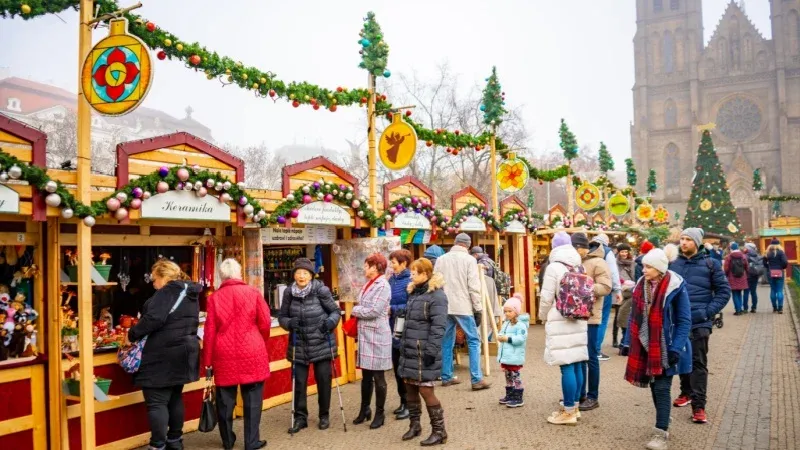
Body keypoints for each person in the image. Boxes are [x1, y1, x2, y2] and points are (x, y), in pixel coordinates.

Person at [622, 249, 692, 450]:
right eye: (643, 266)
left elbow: (684, 320)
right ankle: (664, 418)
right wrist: (628, 342)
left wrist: (676, 348)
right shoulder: (640, 286)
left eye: (648, 267)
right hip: (645, 345)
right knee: (653, 385)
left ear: (660, 269)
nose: (643, 270)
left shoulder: (676, 287)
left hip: (666, 345)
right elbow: (634, 317)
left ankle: (661, 432)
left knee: (661, 387)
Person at [128, 260, 201, 450]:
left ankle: (157, 445)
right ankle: (175, 440)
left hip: (162, 354)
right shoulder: (190, 292)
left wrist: (132, 334)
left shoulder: (167, 291)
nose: (153, 284)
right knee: (175, 397)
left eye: (155, 279)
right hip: (184, 352)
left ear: (165, 277)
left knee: (157, 402)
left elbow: (154, 319)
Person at [202, 259, 270, 450]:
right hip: (252, 350)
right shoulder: (253, 292)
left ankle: (228, 441)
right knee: (253, 400)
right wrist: (260, 342)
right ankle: (251, 441)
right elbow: (265, 323)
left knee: (224, 402)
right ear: (240, 273)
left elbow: (209, 332)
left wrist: (207, 361)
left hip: (224, 354)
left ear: (222, 276)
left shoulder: (214, 298)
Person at [669, 228, 730, 424]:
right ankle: (685, 392)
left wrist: (707, 312)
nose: (683, 243)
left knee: (698, 363)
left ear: (697, 242)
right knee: (679, 358)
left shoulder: (710, 264)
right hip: (677, 322)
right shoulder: (672, 264)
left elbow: (723, 291)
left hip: (700, 321)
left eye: (688, 239)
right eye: (682, 239)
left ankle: (699, 406)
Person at [279, 258, 341, 433]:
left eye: (305, 273)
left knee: (323, 381)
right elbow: (282, 316)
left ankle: (324, 415)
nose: (301, 276)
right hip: (299, 344)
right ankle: (300, 418)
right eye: (298, 272)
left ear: (311, 275)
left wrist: (329, 323)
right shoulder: (289, 293)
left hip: (320, 342)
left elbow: (335, 312)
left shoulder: (320, 290)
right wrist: (289, 323)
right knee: (299, 382)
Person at [397, 258, 448, 446]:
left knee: (426, 391)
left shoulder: (437, 296)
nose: (411, 275)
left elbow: (439, 326)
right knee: (410, 389)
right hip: (409, 349)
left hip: (423, 350)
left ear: (425, 274)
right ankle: (415, 425)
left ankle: (440, 431)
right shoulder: (414, 293)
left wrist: (431, 351)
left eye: (415, 272)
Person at [539, 232, 589, 426]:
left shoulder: (554, 267)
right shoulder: (579, 265)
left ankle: (568, 411)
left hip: (560, 317)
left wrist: (543, 316)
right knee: (576, 363)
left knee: (566, 365)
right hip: (579, 318)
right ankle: (574, 408)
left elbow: (546, 297)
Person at [434, 233, 491, 390]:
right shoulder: (470, 260)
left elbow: (436, 283)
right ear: (467, 245)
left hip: (444, 305)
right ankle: (476, 379)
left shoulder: (441, 259)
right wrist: (478, 308)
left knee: (446, 341)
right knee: (473, 340)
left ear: (455, 243)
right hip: (463, 306)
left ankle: (446, 376)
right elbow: (473, 286)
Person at [352, 253, 393, 429]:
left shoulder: (382, 284)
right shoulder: (369, 283)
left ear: (375, 267)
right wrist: (361, 309)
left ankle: (380, 413)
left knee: (379, 376)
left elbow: (374, 310)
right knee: (366, 376)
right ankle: (364, 409)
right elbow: (367, 308)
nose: (364, 268)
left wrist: (355, 310)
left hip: (377, 336)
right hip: (366, 335)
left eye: (366, 265)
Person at [572, 233, 612, 411]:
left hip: (591, 317)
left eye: (575, 247)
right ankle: (579, 394)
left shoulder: (598, 262)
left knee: (590, 357)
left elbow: (606, 287)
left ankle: (593, 396)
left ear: (582, 247)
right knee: (577, 357)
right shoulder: (574, 260)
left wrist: (583, 286)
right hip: (575, 316)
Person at [388, 249, 413, 420]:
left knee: (404, 367)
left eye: (394, 262)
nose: (391, 265)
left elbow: (412, 305)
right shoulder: (391, 279)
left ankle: (410, 404)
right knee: (397, 366)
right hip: (391, 327)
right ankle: (402, 401)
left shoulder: (411, 281)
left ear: (404, 264)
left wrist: (393, 309)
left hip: (405, 328)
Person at [496, 293, 529, 408]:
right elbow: (501, 333)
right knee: (508, 375)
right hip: (506, 356)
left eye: (510, 311)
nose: (507, 313)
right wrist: (500, 336)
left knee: (515, 375)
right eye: (505, 311)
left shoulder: (520, 325)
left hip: (514, 357)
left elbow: (520, 339)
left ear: (516, 311)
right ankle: (510, 394)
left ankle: (518, 396)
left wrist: (507, 338)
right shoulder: (506, 323)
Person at [591, 234, 620, 361]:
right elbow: (613, 272)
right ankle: (596, 350)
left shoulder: (587, 250)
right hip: (603, 290)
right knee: (601, 320)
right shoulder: (607, 252)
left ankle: (589, 348)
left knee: (590, 319)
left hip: (587, 289)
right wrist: (618, 289)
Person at [614, 243, 635, 348]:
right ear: (619, 252)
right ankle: (616, 339)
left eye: (626, 251)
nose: (624, 254)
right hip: (619, 291)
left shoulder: (632, 263)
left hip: (630, 291)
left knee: (625, 315)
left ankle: (623, 340)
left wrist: (632, 285)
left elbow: (635, 276)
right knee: (618, 316)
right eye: (622, 251)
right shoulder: (615, 262)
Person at [763, 239, 789, 313]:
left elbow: (764, 263)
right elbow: (785, 262)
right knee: (779, 290)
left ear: (770, 245)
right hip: (779, 272)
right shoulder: (781, 253)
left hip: (770, 272)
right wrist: (781, 267)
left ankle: (774, 307)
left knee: (773, 290)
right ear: (779, 245)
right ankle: (780, 308)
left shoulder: (767, 253)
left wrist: (769, 267)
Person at [723, 243, 749, 316]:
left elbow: (726, 268)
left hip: (732, 277)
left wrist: (726, 275)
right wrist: (747, 274)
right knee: (739, 293)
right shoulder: (743, 256)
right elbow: (746, 266)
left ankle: (738, 310)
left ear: (731, 249)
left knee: (735, 294)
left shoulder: (729, 257)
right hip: (742, 277)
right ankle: (740, 308)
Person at [743, 243, 763, 313]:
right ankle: (754, 308)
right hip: (755, 276)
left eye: (745, 247)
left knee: (746, 292)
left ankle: (745, 308)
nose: (744, 248)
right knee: (753, 292)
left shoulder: (745, 256)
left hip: (746, 276)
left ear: (748, 248)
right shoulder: (758, 256)